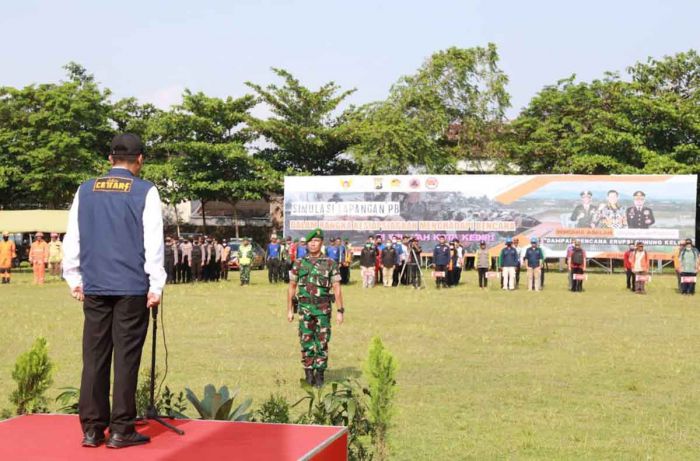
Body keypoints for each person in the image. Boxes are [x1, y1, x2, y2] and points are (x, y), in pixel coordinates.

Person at [62, 133, 166, 449]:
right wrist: (156, 283)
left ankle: (92, 429)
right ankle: (121, 428)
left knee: (93, 356)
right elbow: (153, 242)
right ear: (140, 160)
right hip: (132, 287)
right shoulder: (145, 191)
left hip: (95, 285)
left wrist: (73, 276)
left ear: (109, 160)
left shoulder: (85, 190)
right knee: (126, 357)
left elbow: (73, 236)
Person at [287, 228, 345, 388]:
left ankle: (320, 374)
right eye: (311, 242)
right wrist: (290, 309)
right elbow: (292, 287)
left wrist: (340, 311)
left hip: (323, 309)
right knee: (305, 340)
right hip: (304, 308)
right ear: (307, 244)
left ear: (321, 243)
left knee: (322, 341)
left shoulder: (330, 263)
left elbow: (337, 288)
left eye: (316, 241)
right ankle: (308, 373)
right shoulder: (299, 263)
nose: (313, 244)